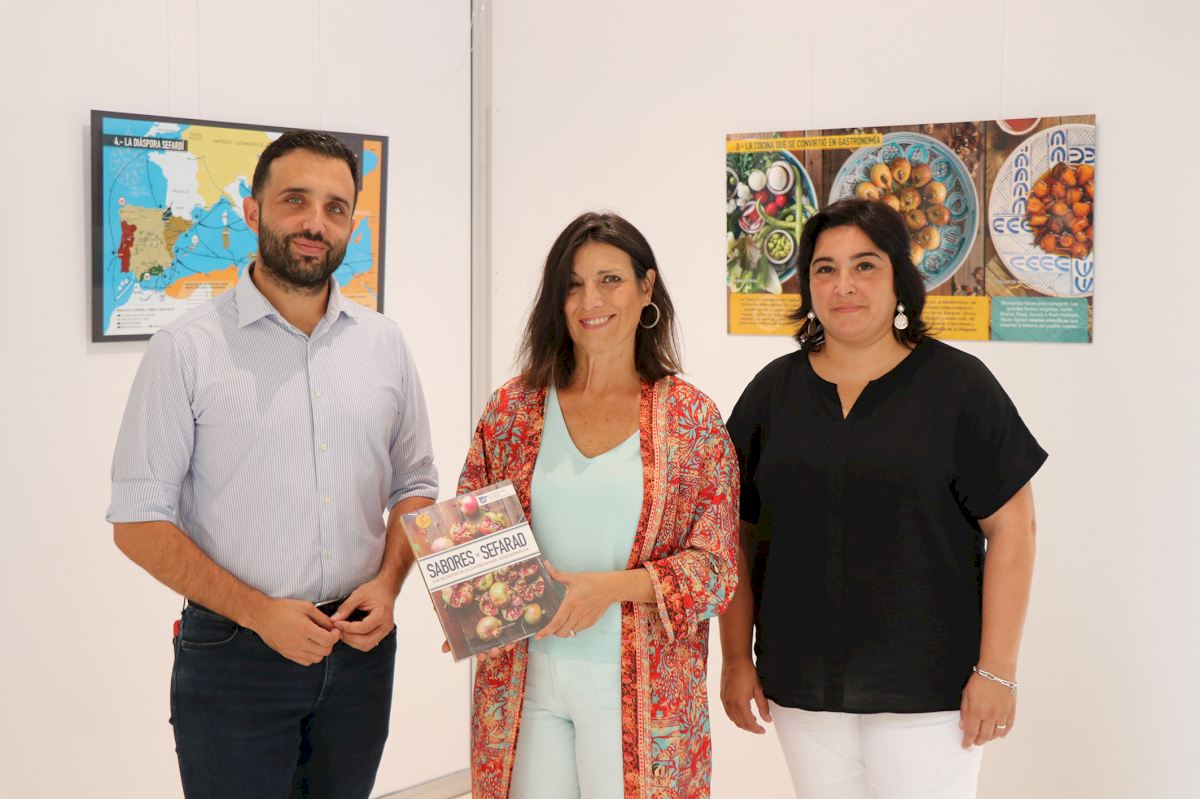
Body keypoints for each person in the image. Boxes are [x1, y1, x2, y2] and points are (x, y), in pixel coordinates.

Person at [106, 130, 438, 799]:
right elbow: (138, 523)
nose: (316, 222)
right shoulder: (185, 350)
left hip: (360, 652)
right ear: (253, 211)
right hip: (235, 656)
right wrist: (259, 613)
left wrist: (388, 584)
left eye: (335, 207)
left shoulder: (384, 344)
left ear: (351, 224)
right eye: (295, 200)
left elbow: (415, 485)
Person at [720, 198, 1045, 799]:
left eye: (864, 266)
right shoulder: (773, 392)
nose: (843, 285)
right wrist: (736, 657)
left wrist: (998, 671)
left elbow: (1014, 529)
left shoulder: (959, 387)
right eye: (825, 269)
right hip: (802, 691)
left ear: (899, 278)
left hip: (932, 694)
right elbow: (732, 534)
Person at [455, 212, 739, 798]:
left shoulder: (691, 419)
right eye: (573, 284)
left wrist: (606, 589)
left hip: (643, 693)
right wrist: (469, 603)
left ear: (646, 288)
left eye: (610, 280)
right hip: (523, 685)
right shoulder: (512, 411)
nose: (591, 301)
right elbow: (471, 534)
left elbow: (717, 572)